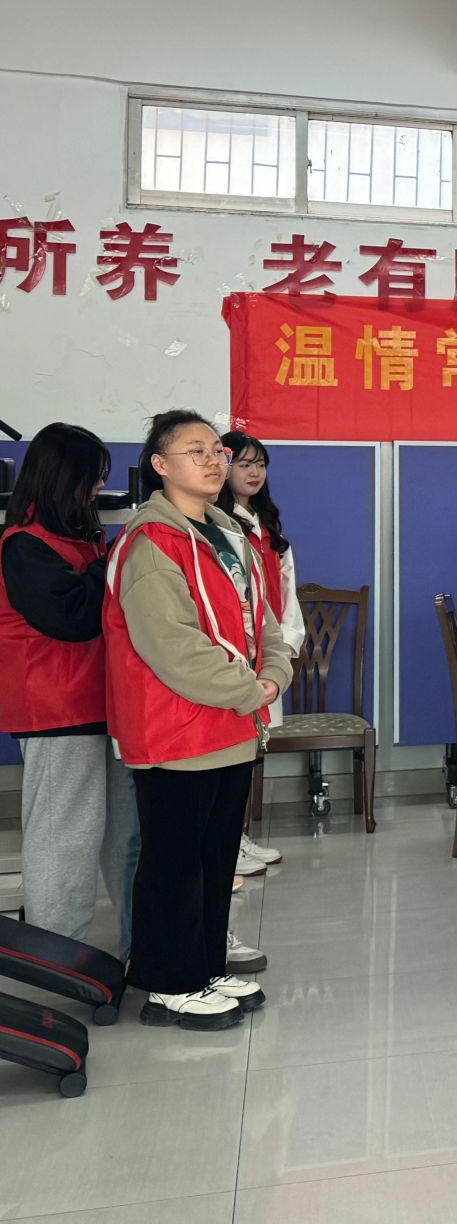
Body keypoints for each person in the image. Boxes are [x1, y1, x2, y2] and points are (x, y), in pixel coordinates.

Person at [107, 411, 292, 1031]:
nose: (214, 461)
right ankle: (168, 984)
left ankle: (204, 967)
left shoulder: (227, 533)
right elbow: (173, 647)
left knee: (215, 861)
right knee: (174, 864)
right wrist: (252, 689)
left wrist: (274, 674)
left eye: (218, 450)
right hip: (177, 731)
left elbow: (262, 621)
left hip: (230, 726)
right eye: (196, 451)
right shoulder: (150, 543)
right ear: (160, 465)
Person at [0, 423, 138, 960]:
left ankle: (142, 949)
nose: (97, 489)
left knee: (125, 835)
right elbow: (73, 618)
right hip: (56, 710)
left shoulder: (81, 538)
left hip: (106, 703)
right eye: (91, 478)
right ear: (63, 478)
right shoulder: (23, 545)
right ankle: (54, 959)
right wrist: (112, 563)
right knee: (65, 837)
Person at [217, 431, 300, 880]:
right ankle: (226, 845)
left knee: (249, 750)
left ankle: (237, 836)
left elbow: (286, 594)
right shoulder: (214, 523)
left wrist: (284, 647)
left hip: (268, 655)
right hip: (234, 656)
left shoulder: (266, 526)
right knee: (229, 751)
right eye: (244, 464)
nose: (254, 472)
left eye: (260, 464)